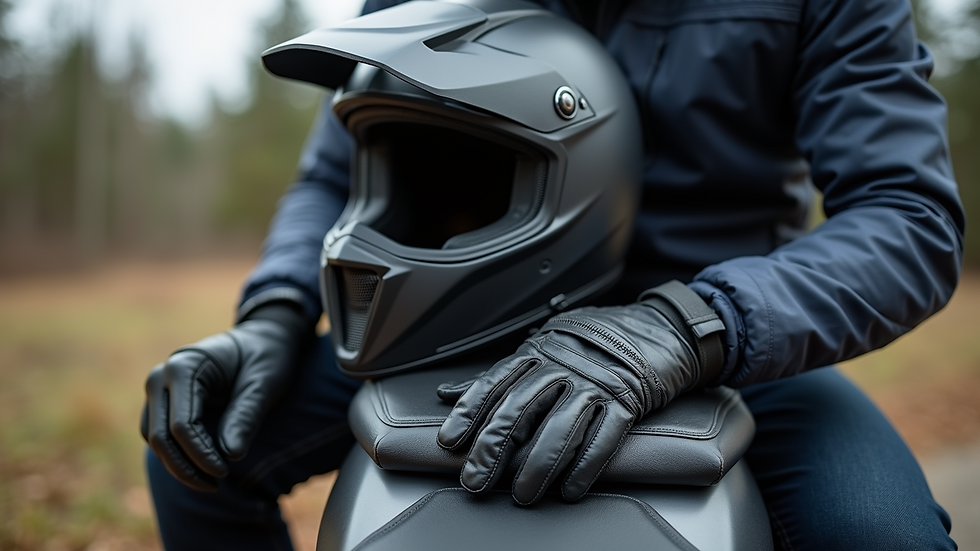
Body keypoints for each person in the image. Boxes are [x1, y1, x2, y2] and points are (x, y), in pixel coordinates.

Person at [141, 0, 965, 549]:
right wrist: (274, 312)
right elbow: (335, 171)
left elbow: (907, 216)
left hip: (730, 336)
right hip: (459, 309)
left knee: (882, 537)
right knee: (200, 443)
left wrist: (692, 324)